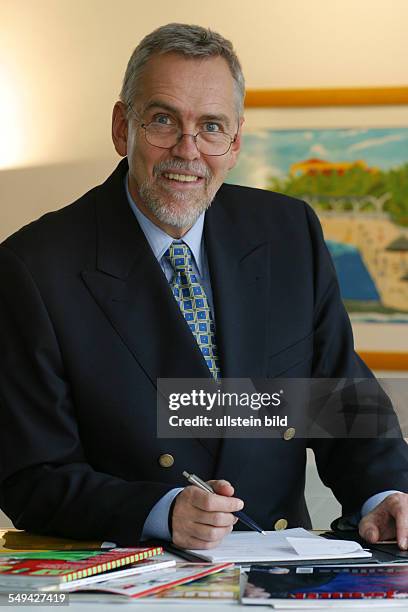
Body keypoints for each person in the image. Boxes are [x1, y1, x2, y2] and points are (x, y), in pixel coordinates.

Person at [0, 23, 407, 551]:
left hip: (278, 572)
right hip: (128, 577)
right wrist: (160, 510)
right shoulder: (33, 266)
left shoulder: (288, 231)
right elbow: (30, 475)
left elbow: (340, 401)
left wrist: (388, 495)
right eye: (163, 121)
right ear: (123, 127)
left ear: (234, 141)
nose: (187, 151)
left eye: (211, 126)